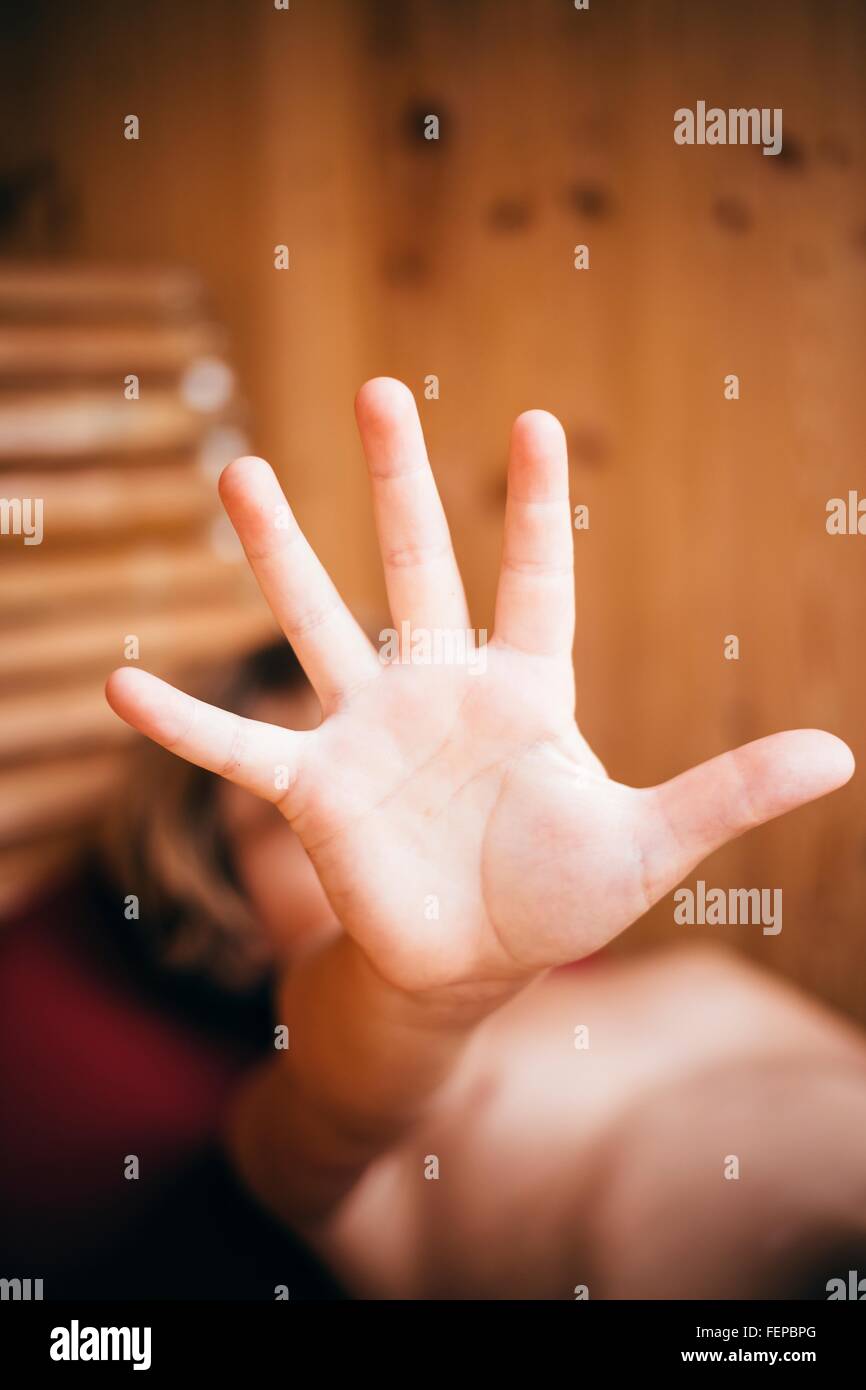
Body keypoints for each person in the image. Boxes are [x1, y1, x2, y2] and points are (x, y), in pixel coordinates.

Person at [94, 377, 866, 1299]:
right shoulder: (317, 1121)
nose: (411, 802)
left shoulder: (701, 979)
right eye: (292, 807)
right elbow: (344, 1087)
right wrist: (426, 998)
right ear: (228, 915)